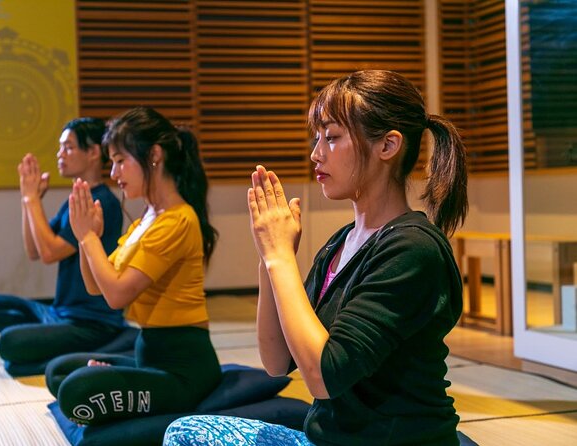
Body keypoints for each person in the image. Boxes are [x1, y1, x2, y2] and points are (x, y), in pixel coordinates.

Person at [164, 70, 468, 445]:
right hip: (328, 439)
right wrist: (269, 257)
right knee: (188, 431)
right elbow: (277, 362)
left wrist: (280, 258)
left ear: (387, 146)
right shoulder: (343, 241)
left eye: (332, 137)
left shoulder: (412, 248)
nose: (316, 153)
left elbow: (323, 377)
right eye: (317, 137)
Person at [45, 106, 221, 426]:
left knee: (76, 390)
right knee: (60, 370)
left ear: (154, 155)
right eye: (111, 162)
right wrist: (91, 238)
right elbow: (96, 286)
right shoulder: (145, 220)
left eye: (120, 161)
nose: (114, 174)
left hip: (183, 367)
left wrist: (87, 239)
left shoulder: (178, 220)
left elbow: (117, 296)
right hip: (148, 354)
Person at [0, 118, 126, 373]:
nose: (60, 154)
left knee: (9, 343)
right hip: (60, 312)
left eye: (68, 147)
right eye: (60, 148)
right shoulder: (72, 202)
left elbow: (49, 253)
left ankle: (84, 350)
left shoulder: (101, 202)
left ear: (93, 152)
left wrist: (31, 198)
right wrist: (30, 200)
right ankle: (51, 352)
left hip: (91, 322)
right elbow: (34, 250)